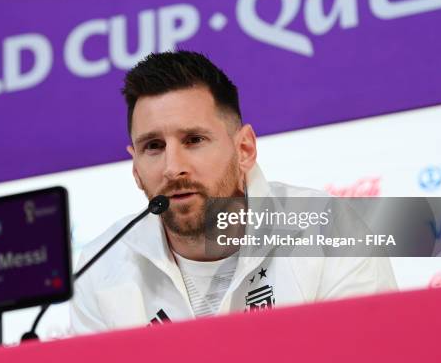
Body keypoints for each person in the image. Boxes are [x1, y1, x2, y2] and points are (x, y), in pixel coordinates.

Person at [70, 51, 396, 334]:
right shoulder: (100, 270)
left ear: (244, 149)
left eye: (194, 140)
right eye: (153, 147)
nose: (172, 167)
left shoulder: (331, 230)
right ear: (136, 168)